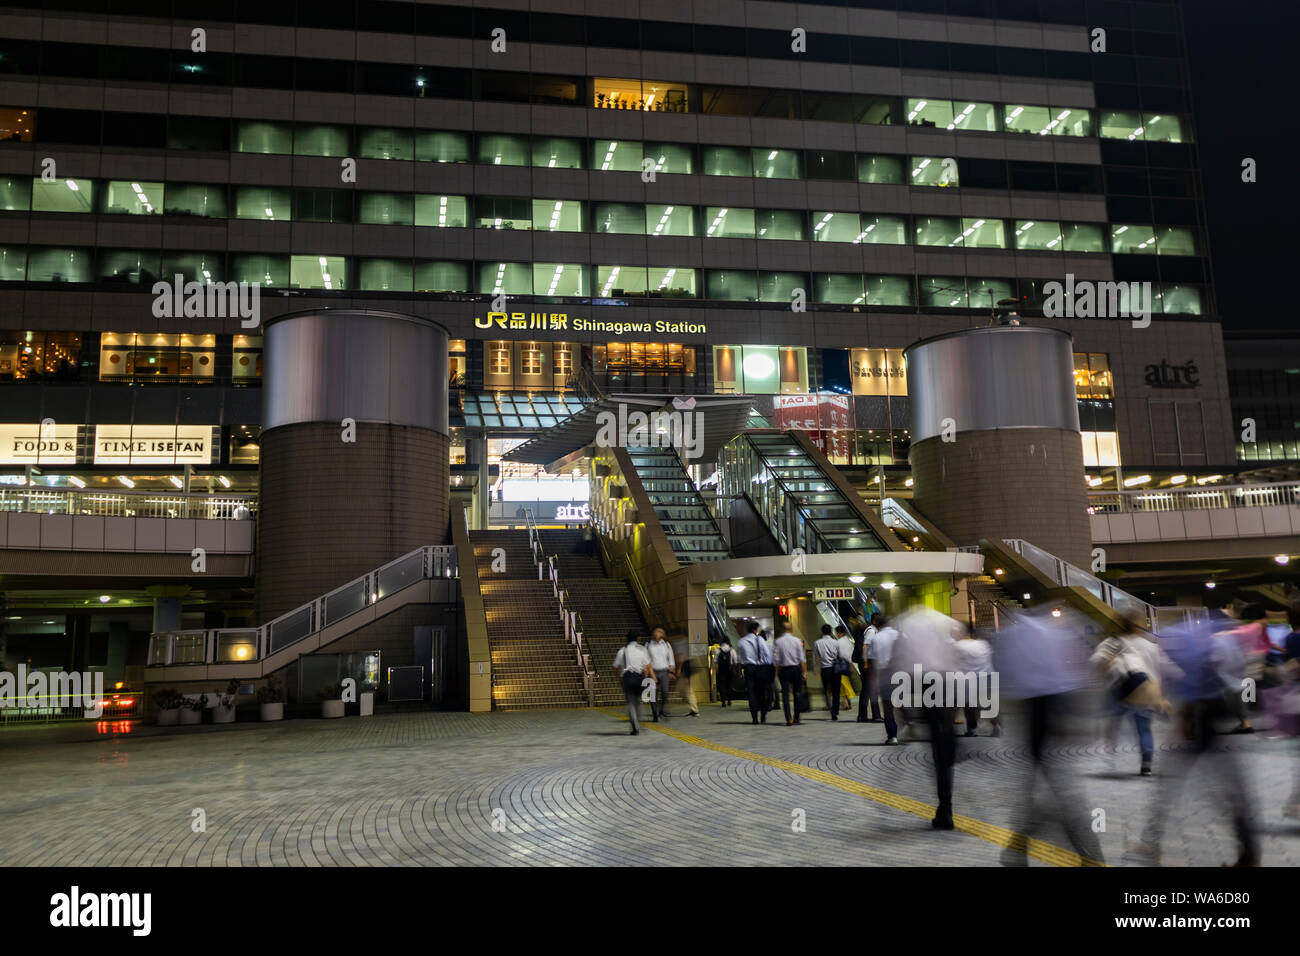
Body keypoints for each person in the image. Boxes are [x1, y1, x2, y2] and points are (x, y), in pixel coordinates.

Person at [889, 606, 963, 829]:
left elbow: (902, 666)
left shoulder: (907, 630)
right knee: (943, 749)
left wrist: (901, 704)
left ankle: (945, 809)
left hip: (927, 686)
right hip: (946, 685)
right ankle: (945, 806)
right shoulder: (945, 628)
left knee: (939, 752)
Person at [1090, 611, 1176, 775]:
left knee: (1113, 722)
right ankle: (1146, 765)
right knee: (1144, 728)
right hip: (1143, 688)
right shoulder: (1149, 645)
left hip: (1119, 689)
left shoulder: (1112, 642)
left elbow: (1097, 662)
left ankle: (1110, 754)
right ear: (1140, 625)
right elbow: (1162, 668)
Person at [954, 627, 999, 738]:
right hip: (987, 677)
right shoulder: (983, 644)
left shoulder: (959, 645)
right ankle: (996, 726)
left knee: (969, 706)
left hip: (969, 679)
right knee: (988, 704)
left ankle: (972, 729)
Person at [612, 633, 654, 735]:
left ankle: (635, 727)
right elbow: (648, 666)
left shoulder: (622, 651)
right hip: (639, 677)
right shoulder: (642, 650)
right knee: (637, 701)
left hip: (627, 678)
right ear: (637, 639)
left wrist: (619, 678)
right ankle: (639, 719)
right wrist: (645, 676)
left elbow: (615, 666)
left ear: (627, 639)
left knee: (630, 703)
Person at [871, 615, 901, 743]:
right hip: (901, 671)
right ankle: (909, 723)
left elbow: (874, 660)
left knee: (888, 706)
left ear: (878, 624)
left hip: (884, 673)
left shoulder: (876, 638)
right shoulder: (900, 635)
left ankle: (892, 735)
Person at [737, 621, 773, 725]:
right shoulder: (760, 640)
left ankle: (754, 718)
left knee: (751, 693)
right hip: (760, 668)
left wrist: (740, 673)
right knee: (762, 692)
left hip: (748, 669)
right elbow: (767, 653)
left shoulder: (741, 641)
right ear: (754, 630)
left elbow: (739, 660)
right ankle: (762, 715)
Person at [774, 624, 808, 725]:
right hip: (796, 670)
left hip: (784, 670)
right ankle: (796, 717)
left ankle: (788, 718)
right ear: (791, 629)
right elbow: (802, 659)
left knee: (785, 696)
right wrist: (804, 672)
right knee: (797, 694)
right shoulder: (797, 641)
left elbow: (777, 660)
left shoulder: (778, 641)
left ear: (783, 629)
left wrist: (776, 672)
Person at [814, 624, 847, 720]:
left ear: (822, 632)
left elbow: (817, 657)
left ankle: (829, 707)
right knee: (836, 690)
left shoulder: (817, 643)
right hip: (835, 668)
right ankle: (835, 712)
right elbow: (840, 655)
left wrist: (817, 669)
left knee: (826, 691)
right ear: (830, 632)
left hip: (825, 668)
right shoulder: (836, 642)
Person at [855, 616, 881, 723]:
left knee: (869, 689)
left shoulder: (873, 630)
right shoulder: (871, 631)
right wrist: (866, 663)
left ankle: (869, 715)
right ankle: (866, 716)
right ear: (875, 621)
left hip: (869, 663)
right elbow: (865, 646)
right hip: (868, 664)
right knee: (867, 690)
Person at [646, 627, 675, 721]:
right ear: (653, 633)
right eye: (657, 631)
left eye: (661, 632)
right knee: (653, 694)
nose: (659, 633)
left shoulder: (666, 645)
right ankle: (655, 715)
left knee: (665, 692)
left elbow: (670, 657)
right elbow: (645, 659)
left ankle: (661, 710)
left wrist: (671, 669)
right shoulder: (648, 645)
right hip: (652, 671)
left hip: (664, 671)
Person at [836, 625, 858, 712]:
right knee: (846, 683)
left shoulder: (839, 642)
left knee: (842, 685)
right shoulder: (849, 641)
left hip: (841, 664)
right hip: (849, 664)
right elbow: (851, 653)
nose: (837, 634)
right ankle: (848, 703)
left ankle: (846, 704)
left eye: (837, 633)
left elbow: (839, 654)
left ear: (840, 633)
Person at [675, 641, 699, 717]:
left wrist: (679, 669)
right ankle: (693, 709)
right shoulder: (684, 643)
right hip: (688, 667)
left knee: (686, 690)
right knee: (687, 689)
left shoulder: (680, 644)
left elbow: (681, 657)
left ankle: (694, 710)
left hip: (685, 667)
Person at [714, 637, 735, 706]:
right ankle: (729, 700)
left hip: (721, 670)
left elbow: (715, 661)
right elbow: (735, 660)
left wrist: (716, 670)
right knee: (729, 685)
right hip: (730, 670)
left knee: (722, 685)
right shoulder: (732, 650)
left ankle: (723, 701)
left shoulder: (718, 650)